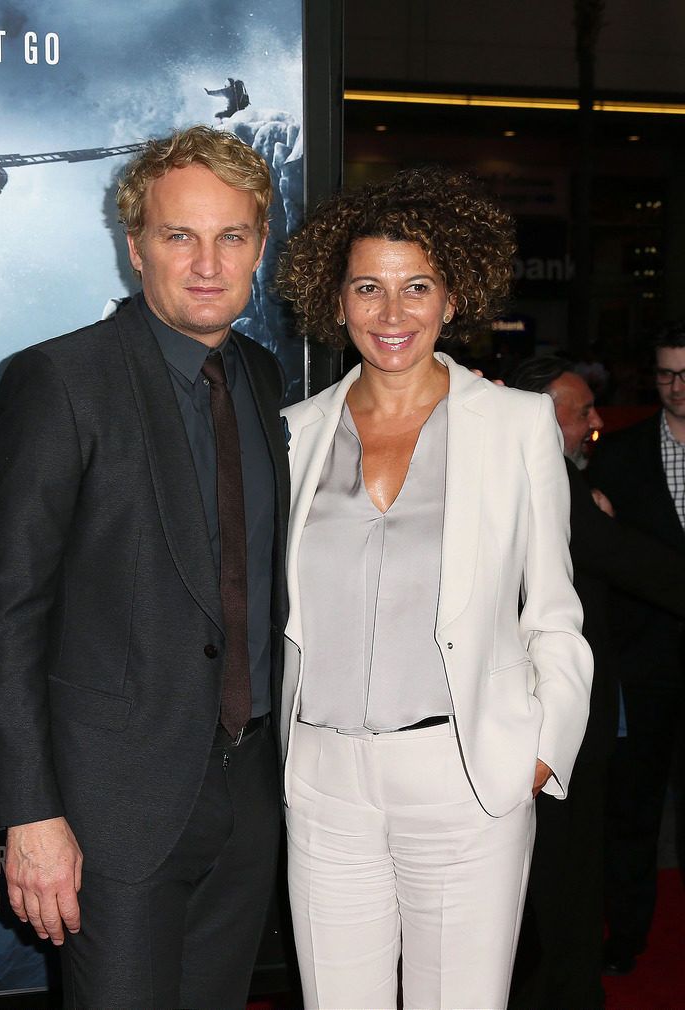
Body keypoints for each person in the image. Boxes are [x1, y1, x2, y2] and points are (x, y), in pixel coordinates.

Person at [0, 124, 289, 1009]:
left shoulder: (264, 378)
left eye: (231, 237)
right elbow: (8, 615)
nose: (206, 264)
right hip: (112, 808)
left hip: (249, 789)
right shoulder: (61, 380)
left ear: (259, 247)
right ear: (135, 247)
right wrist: (31, 816)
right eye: (177, 235)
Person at [275, 166, 593, 1010]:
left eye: (417, 287)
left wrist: (538, 751)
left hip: (465, 771)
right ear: (336, 302)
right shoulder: (293, 436)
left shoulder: (516, 426)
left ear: (452, 299)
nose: (392, 313)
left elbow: (555, 609)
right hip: (322, 778)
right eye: (368, 288)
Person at [508, 356, 685, 1009]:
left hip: (561, 702)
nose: (596, 423)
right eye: (581, 413)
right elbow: (624, 559)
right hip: (552, 711)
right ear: (540, 417)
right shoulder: (545, 478)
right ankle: (562, 988)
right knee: (565, 860)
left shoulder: (549, 475)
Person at [588, 321, 685, 976]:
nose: (676, 387)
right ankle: (624, 940)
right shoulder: (619, 456)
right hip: (645, 664)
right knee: (632, 814)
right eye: (666, 374)